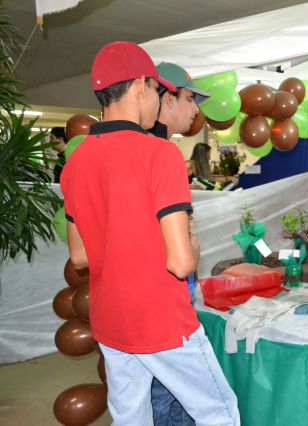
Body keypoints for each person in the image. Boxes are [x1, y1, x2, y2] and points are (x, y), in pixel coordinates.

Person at [60, 41, 239, 426]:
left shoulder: (76, 161)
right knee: (220, 413)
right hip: (161, 320)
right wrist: (193, 245)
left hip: (111, 320)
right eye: (158, 90)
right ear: (141, 85)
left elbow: (79, 256)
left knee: (131, 418)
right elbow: (181, 263)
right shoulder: (160, 154)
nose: (159, 102)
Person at [148, 61, 210, 426]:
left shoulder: (156, 149)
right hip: (162, 296)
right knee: (177, 394)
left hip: (158, 292)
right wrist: (191, 254)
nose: (195, 110)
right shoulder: (158, 153)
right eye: (189, 99)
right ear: (166, 98)